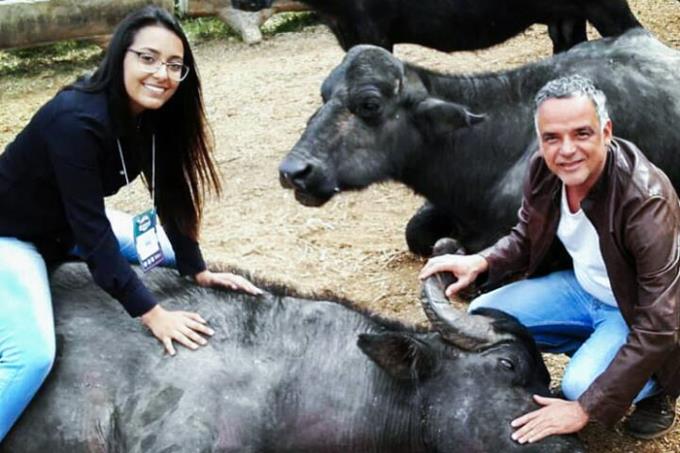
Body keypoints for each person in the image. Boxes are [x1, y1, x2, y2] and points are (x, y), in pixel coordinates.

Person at [0, 6, 262, 441]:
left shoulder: (152, 116)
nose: (162, 73)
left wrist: (195, 269)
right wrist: (152, 314)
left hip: (65, 223)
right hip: (12, 234)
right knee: (30, 356)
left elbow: (171, 195)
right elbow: (94, 236)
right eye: (148, 58)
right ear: (121, 55)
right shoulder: (74, 119)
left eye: (174, 65)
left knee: (168, 250)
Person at [420, 74, 680, 442]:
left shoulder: (645, 201)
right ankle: (588, 363)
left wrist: (585, 406)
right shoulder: (544, 169)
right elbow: (526, 235)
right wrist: (481, 261)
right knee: (485, 317)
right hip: (585, 289)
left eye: (582, 134)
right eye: (552, 138)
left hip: (638, 311)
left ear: (606, 132)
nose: (566, 150)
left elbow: (660, 324)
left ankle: (657, 388)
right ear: (540, 139)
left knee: (579, 387)